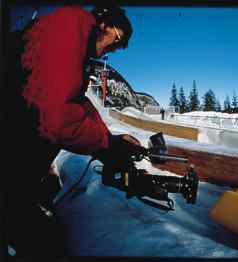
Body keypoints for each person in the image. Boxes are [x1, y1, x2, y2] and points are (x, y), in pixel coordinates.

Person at [5, 5, 139, 259]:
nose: (114, 49)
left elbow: (78, 104)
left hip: (19, 152)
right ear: (104, 23)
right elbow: (57, 118)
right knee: (44, 245)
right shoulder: (70, 26)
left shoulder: (76, 40)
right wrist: (107, 147)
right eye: (117, 39)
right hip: (12, 154)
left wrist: (109, 140)